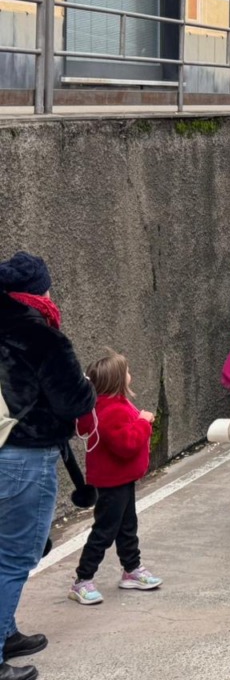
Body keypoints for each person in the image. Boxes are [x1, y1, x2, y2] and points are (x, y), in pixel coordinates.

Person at [0, 253, 96, 678]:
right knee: (15, 556)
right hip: (25, 455)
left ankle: (6, 631)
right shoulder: (40, 335)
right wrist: (88, 389)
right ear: (38, 291)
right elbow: (73, 400)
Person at [69, 352, 162, 605]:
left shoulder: (103, 405)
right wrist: (144, 422)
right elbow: (127, 445)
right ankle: (82, 580)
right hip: (114, 481)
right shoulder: (114, 410)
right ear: (118, 380)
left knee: (126, 526)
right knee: (105, 530)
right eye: (127, 370)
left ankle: (131, 568)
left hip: (118, 479)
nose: (131, 374)